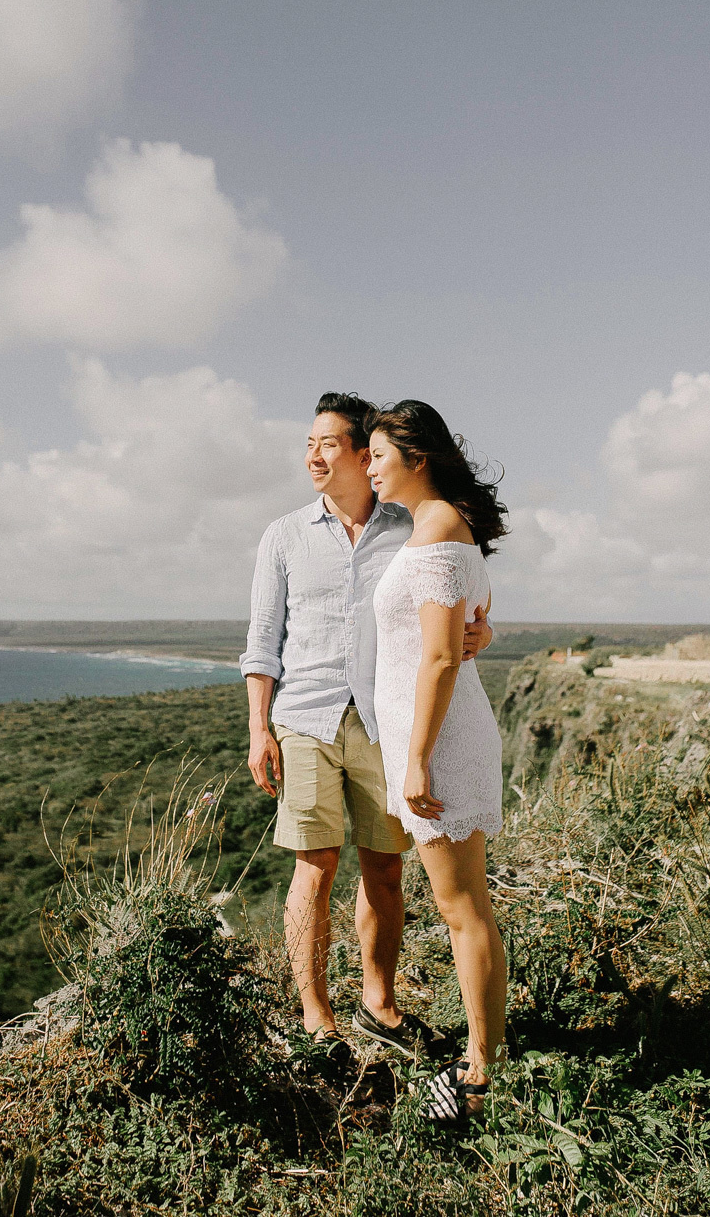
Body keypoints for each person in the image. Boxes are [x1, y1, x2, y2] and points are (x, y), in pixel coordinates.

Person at [242, 392, 493, 1049]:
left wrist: (483, 631)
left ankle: (378, 1005)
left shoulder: (411, 524)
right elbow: (262, 639)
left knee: (384, 867)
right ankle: (315, 1015)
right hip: (305, 718)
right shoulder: (284, 535)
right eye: (308, 444)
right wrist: (257, 727)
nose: (313, 456)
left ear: (362, 454)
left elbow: (455, 589)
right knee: (314, 866)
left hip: (387, 721)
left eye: (328, 443)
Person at [367, 399, 507, 1120]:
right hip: (433, 737)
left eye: (378, 454)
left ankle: (482, 1074)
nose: (369, 467)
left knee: (461, 909)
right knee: (461, 906)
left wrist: (416, 759)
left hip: (441, 742)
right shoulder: (439, 525)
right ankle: (488, 1057)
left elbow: (444, 654)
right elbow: (469, 626)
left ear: (416, 457)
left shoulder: (442, 527)